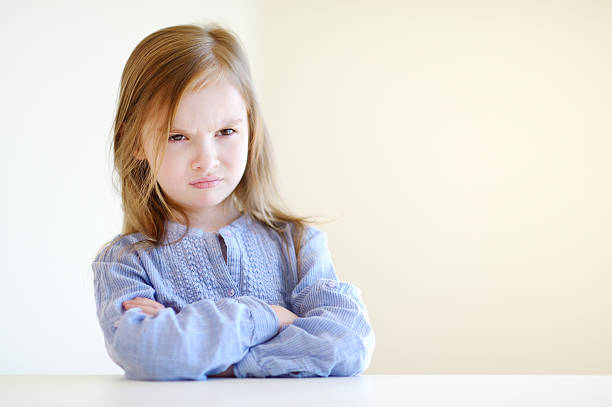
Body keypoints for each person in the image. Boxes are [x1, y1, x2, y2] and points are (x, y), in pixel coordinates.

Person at [92, 23, 375, 381]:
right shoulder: (125, 263)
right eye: (177, 136)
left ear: (250, 129)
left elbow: (348, 343)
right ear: (135, 143)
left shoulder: (299, 244)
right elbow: (149, 353)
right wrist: (272, 317)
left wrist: (220, 361)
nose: (206, 159)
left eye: (225, 132)